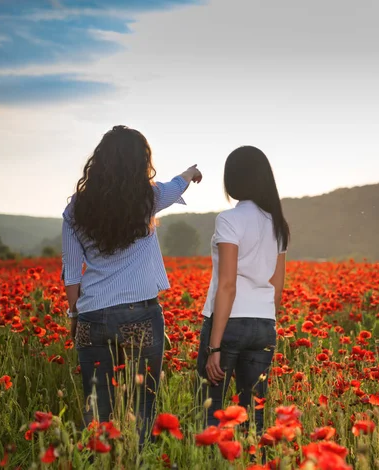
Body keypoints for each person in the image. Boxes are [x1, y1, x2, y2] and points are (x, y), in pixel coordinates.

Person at [61, 125, 202, 442]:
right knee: (142, 408)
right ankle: (138, 459)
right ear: (141, 162)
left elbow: (71, 272)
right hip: (140, 315)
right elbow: (176, 185)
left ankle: (96, 461)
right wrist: (192, 172)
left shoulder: (75, 209)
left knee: (97, 410)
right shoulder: (148, 198)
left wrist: (74, 316)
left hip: (92, 316)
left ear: (99, 162)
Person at [196, 145, 290, 437]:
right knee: (254, 417)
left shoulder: (229, 220)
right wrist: (265, 320)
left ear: (233, 180)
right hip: (264, 324)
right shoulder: (277, 224)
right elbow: (277, 287)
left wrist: (215, 347)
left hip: (229, 323)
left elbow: (227, 285)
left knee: (212, 412)